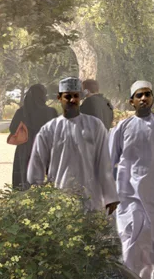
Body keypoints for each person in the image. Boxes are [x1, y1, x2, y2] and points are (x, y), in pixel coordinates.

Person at [108, 80, 154, 279]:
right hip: (128, 193)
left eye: (147, 94)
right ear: (131, 102)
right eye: (139, 95)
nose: (144, 98)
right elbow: (109, 161)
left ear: (153, 98)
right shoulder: (122, 127)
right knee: (131, 236)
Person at [26, 77, 116, 213]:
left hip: (91, 196)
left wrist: (111, 197)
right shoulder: (49, 129)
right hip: (59, 196)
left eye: (76, 96)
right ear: (59, 97)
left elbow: (104, 162)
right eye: (68, 96)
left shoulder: (95, 125)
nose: (72, 100)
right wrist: (37, 193)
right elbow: (37, 162)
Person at [7, 84, 58, 189]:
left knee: (23, 179)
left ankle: (22, 199)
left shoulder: (22, 111)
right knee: (45, 180)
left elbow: (13, 129)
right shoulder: (51, 112)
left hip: (25, 148)